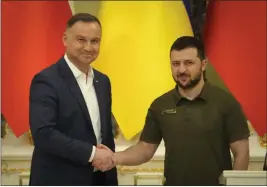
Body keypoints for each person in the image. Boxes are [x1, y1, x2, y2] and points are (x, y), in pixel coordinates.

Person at [95, 36, 250, 185]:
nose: (181, 70)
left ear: (203, 65)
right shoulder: (160, 105)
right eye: (176, 64)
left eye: (188, 63)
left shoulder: (226, 102)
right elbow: (145, 149)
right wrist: (114, 157)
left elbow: (241, 153)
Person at [29, 13, 118, 185]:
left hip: (100, 179)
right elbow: (44, 134)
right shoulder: (46, 80)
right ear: (65, 39)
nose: (88, 47)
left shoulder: (103, 81)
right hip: (59, 179)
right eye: (81, 40)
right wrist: (92, 154)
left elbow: (104, 134)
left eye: (94, 41)